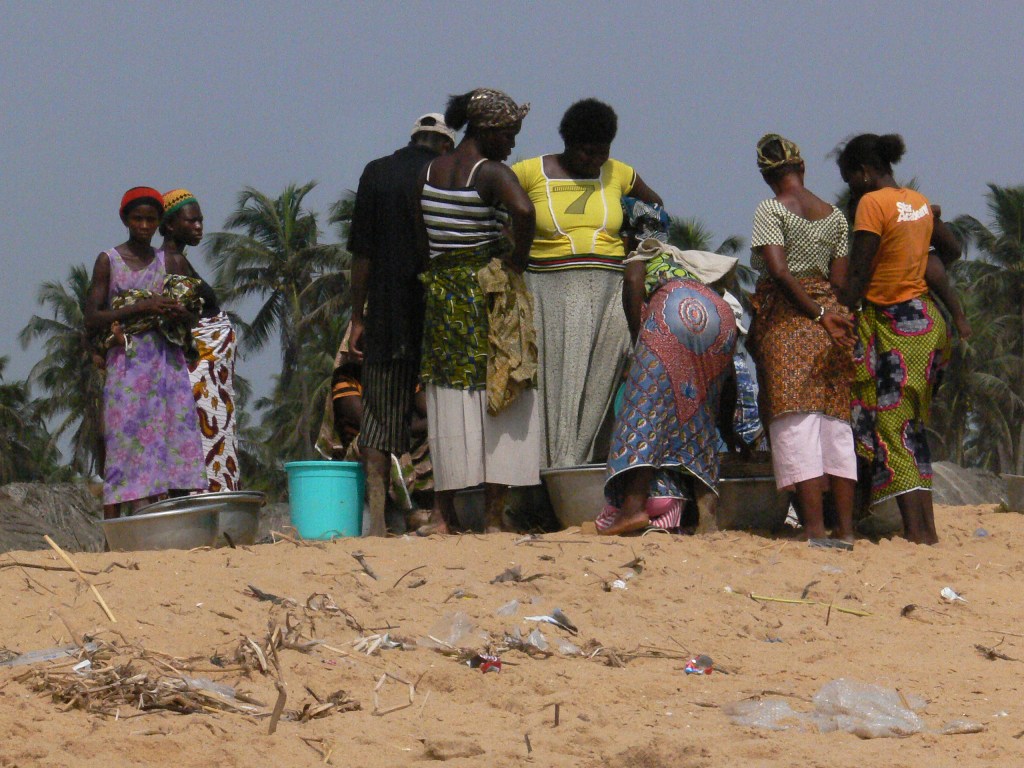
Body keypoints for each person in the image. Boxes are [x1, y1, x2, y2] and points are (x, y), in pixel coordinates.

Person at [512, 99, 663, 469]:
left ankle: (579, 467)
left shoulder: (619, 173)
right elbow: (498, 207)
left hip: (611, 293)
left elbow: (655, 208)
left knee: (598, 384)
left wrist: (635, 248)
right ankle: (548, 469)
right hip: (548, 291)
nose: (595, 159)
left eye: (602, 150)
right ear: (568, 142)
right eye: (587, 151)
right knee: (555, 384)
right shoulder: (530, 172)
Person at [836, 133, 968, 544]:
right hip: (926, 323)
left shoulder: (872, 205)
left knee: (893, 429)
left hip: (895, 326)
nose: (850, 189)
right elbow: (951, 250)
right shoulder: (918, 202)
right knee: (910, 427)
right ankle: (927, 530)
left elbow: (858, 274)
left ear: (863, 172)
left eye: (849, 179)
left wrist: (834, 310)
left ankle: (916, 532)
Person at [418, 87, 539, 533]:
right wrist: (518, 259)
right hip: (487, 295)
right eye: (508, 134)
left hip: (442, 296)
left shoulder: (429, 169)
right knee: (501, 390)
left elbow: (423, 232)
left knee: (449, 398)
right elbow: (524, 210)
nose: (512, 144)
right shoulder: (490, 172)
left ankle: (442, 514)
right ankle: (492, 518)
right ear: (486, 131)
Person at [347, 113, 456, 536]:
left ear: (413, 138)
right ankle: (447, 514)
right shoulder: (447, 173)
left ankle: (377, 521)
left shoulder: (376, 172)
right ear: (445, 145)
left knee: (377, 419)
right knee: (448, 414)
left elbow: (362, 252)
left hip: (387, 313)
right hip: (438, 310)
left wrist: (358, 316)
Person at [747, 134, 858, 548]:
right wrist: (829, 315)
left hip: (789, 322)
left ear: (766, 176)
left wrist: (815, 314)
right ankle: (845, 529)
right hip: (833, 322)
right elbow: (840, 281)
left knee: (796, 421)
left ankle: (813, 529)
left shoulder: (771, 209)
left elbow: (778, 271)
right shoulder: (835, 216)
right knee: (835, 424)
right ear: (802, 167)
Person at [597, 238, 739, 535]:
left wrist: (640, 338)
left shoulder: (641, 256)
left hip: (672, 311)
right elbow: (728, 380)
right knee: (698, 416)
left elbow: (632, 279)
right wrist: (727, 430)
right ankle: (707, 517)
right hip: (721, 316)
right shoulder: (692, 271)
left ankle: (633, 508)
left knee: (643, 413)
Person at [84, 187, 206, 517]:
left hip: (167, 367)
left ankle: (176, 524)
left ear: (159, 223)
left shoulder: (171, 262)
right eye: (137, 219)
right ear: (126, 220)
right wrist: (142, 307)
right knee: (123, 446)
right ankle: (112, 534)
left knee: (174, 444)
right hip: (127, 366)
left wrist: (181, 313)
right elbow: (92, 317)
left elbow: (195, 312)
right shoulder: (108, 261)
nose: (144, 226)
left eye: (151, 220)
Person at [160, 189, 240, 493]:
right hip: (200, 373)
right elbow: (177, 316)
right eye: (191, 221)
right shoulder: (171, 262)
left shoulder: (179, 260)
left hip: (211, 375)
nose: (199, 227)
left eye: (201, 221)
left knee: (213, 435)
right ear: (170, 225)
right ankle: (206, 498)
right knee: (207, 436)